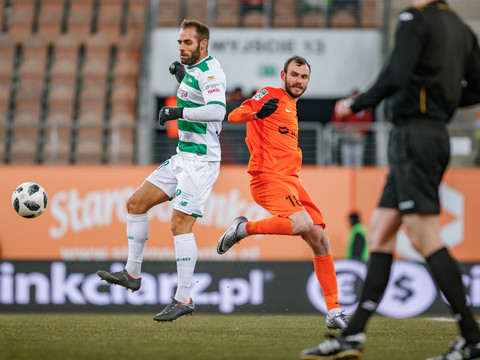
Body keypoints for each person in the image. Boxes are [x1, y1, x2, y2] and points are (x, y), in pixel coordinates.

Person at [300, 0, 480, 359]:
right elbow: (476, 87)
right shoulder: (461, 27)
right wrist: (442, 99)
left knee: (424, 234)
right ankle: (353, 335)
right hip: (430, 134)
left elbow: (396, 75)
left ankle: (472, 337)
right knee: (381, 230)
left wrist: (357, 102)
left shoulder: (414, 18)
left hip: (414, 136)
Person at [97, 19, 227, 322]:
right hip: (183, 157)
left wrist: (177, 111)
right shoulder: (194, 71)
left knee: (179, 225)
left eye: (188, 43)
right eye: (180, 42)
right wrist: (182, 77)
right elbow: (194, 93)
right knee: (136, 203)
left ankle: (184, 298)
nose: (182, 47)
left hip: (202, 162)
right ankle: (132, 273)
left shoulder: (211, 72)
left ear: (203, 44)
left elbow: (218, 110)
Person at [217, 55, 349, 330]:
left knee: (321, 240)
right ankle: (242, 229)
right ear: (283, 75)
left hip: (292, 181)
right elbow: (234, 114)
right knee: (301, 223)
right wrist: (257, 113)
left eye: (304, 77)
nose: (299, 81)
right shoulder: (271, 95)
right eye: (294, 75)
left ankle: (334, 312)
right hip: (267, 178)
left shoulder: (291, 106)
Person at [331, 90, 373, 167]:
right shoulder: (345, 105)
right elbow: (338, 120)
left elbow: (367, 123)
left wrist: (360, 132)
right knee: (347, 160)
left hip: (359, 139)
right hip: (346, 139)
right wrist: (346, 129)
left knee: (358, 159)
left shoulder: (364, 108)